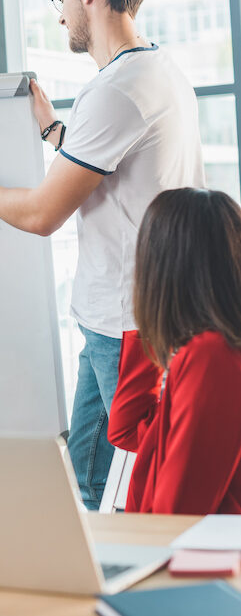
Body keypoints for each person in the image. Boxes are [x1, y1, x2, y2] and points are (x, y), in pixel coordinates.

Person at [0, 0, 205, 509]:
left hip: (128, 325)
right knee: (89, 474)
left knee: (131, 488)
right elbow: (109, 169)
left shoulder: (118, 88)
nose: (60, 10)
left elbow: (41, 214)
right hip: (110, 319)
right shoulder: (154, 69)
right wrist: (51, 130)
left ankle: (134, 587)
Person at [108, 188, 241, 514]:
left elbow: (177, 511)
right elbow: (126, 429)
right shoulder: (206, 348)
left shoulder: (212, 356)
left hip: (190, 554)